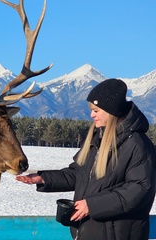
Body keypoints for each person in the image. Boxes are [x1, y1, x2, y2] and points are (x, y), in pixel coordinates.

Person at [16, 78, 156, 240]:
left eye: (96, 110)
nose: (91, 115)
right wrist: (42, 178)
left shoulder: (137, 145)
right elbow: (77, 174)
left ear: (111, 111)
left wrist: (91, 205)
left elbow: (139, 190)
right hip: (90, 233)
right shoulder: (98, 139)